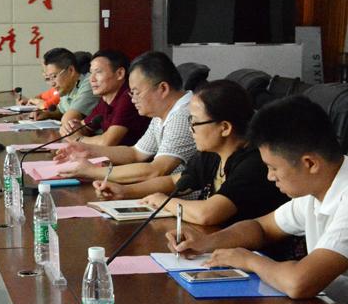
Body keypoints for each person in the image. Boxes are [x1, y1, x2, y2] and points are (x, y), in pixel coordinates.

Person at [169, 96, 348, 301]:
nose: (270, 176)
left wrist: (249, 260)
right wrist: (206, 242)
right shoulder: (317, 187)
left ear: (310, 164)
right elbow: (262, 228)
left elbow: (299, 283)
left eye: (274, 168)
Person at [95, 80, 285, 226]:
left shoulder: (255, 163)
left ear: (225, 128)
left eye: (195, 122)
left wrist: (163, 201)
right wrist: (124, 191)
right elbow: (175, 182)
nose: (190, 129)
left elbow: (207, 214)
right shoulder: (212, 154)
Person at [55, 51, 197, 183]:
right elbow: (135, 153)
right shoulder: (162, 112)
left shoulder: (183, 115)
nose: (133, 99)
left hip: (182, 199)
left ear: (163, 89)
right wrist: (87, 150)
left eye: (136, 92)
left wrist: (92, 171)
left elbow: (156, 170)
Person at [63, 49, 149, 146]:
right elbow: (84, 127)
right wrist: (70, 128)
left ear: (120, 73)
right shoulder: (106, 99)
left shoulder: (129, 97)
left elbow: (107, 142)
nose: (92, 79)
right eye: (91, 73)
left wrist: (78, 138)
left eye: (98, 72)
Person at [33, 47, 99, 126]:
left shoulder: (89, 83)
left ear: (71, 70)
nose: (52, 84)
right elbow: (61, 111)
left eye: (54, 76)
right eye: (48, 78)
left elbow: (69, 119)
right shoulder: (67, 87)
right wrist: (47, 114)